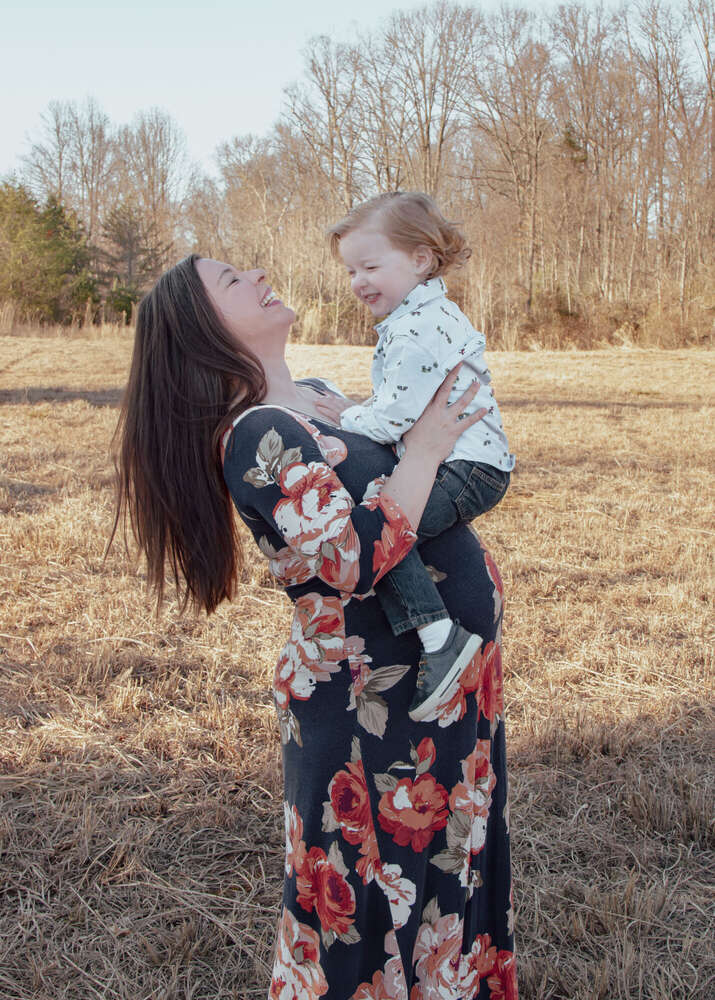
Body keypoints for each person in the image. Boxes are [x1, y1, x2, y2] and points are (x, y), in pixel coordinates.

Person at [111, 254, 518, 1000]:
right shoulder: (254, 434)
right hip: (367, 708)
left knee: (446, 883)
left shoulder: (322, 401)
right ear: (204, 326)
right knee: (367, 907)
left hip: (444, 686)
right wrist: (425, 444)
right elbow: (350, 560)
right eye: (232, 278)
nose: (258, 273)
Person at [318, 192, 515, 723]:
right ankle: (440, 629)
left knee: (382, 535)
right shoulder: (420, 317)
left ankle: (440, 638)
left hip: (466, 468)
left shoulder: (417, 330)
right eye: (351, 270)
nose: (357, 281)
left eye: (370, 266)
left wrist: (344, 417)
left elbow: (391, 419)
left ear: (420, 259)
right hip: (463, 462)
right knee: (390, 527)